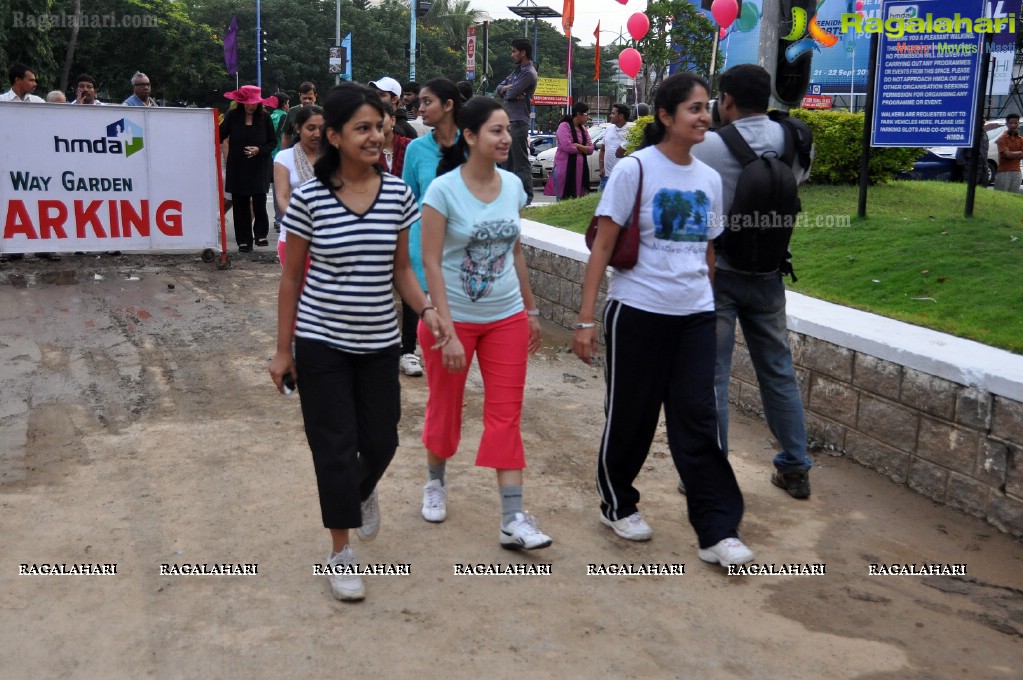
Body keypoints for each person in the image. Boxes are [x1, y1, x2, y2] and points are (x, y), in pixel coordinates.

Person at [269, 82, 451, 602]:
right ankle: (340, 550)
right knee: (332, 446)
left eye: (381, 128)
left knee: (381, 441)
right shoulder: (308, 198)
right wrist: (283, 351)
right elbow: (291, 279)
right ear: (335, 136)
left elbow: (401, 270)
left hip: (378, 343)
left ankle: (362, 488)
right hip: (321, 342)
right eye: (364, 129)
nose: (377, 137)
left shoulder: (398, 193)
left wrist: (429, 311)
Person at [572, 72, 754, 569]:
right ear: (666, 117)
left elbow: (708, 250)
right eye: (694, 108)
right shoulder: (636, 169)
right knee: (633, 415)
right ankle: (618, 503)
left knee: (697, 418)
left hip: (694, 315)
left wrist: (706, 301)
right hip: (637, 312)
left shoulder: (709, 179)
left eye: (707, 107)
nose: (704, 116)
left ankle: (718, 529)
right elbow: (603, 246)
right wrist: (587, 319)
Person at [418, 95, 553, 550]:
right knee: (445, 406)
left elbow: (514, 250)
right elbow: (431, 262)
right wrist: (448, 329)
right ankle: (435, 481)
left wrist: (530, 311)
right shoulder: (443, 190)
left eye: (507, 130)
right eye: (495, 131)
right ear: (470, 136)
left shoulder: (514, 186)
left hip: (505, 318)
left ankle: (512, 516)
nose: (505, 138)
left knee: (505, 414)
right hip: (450, 321)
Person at [691, 63, 814, 500]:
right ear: (770, 98)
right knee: (778, 372)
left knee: (713, 377)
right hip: (769, 272)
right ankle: (795, 468)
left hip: (720, 271)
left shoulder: (707, 147)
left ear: (725, 101)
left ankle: (711, 475)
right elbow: (797, 181)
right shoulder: (798, 141)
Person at [400, 78, 462, 378]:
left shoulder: (473, 144)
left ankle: (447, 348)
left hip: (460, 240)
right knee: (419, 298)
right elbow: (408, 198)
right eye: (419, 102)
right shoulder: (415, 149)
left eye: (427, 102)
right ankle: (408, 350)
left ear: (448, 105)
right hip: (420, 237)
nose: (420, 107)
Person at [220, 85, 277, 252]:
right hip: (237, 166)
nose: (250, 106)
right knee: (240, 204)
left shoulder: (265, 118)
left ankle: (261, 234)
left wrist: (259, 150)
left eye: (253, 103)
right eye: (247, 103)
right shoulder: (232, 116)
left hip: (259, 166)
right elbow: (220, 134)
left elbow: (272, 142)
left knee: (259, 201)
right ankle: (243, 240)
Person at [273, 104, 323, 266]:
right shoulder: (284, 158)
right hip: (294, 236)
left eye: (321, 128)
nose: (317, 134)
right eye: (311, 128)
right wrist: (302, 219)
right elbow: (283, 196)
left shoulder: (334, 158)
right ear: (298, 128)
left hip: (329, 240)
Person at [495, 37, 538, 202]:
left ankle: (527, 197)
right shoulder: (517, 71)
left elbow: (511, 93)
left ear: (523, 52)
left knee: (520, 161)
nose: (511, 54)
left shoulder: (528, 73)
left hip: (519, 121)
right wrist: (506, 89)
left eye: (514, 51)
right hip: (508, 121)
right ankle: (509, 195)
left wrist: (507, 90)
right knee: (506, 161)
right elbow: (499, 87)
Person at [548, 102, 594, 200]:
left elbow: (591, 149)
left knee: (578, 199)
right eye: (587, 114)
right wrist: (584, 148)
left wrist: (577, 145)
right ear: (578, 114)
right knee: (564, 199)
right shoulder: (564, 126)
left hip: (581, 169)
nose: (588, 117)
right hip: (564, 168)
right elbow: (567, 147)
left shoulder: (583, 129)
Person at [269, 91, 291, 232]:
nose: (289, 105)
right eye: (288, 102)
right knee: (285, 189)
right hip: (282, 156)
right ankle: (283, 218)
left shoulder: (270, 116)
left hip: (271, 157)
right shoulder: (285, 117)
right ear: (284, 104)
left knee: (276, 188)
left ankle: (278, 219)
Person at [599, 103, 630, 191]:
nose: (610, 115)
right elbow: (602, 150)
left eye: (613, 113)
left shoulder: (631, 132)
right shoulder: (608, 129)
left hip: (622, 178)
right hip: (606, 177)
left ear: (621, 116)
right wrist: (601, 168)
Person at [280, 82, 317, 149]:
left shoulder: (321, 112)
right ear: (300, 96)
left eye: (310, 98)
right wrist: (284, 154)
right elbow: (286, 136)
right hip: (297, 151)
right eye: (304, 98)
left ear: (315, 96)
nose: (307, 101)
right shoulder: (292, 112)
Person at [994, 113, 1023, 193]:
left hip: (1017, 171)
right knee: (1000, 196)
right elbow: (1006, 154)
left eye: (1015, 123)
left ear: (1018, 124)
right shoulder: (1002, 138)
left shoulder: (1020, 139)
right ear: (1007, 124)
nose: (1013, 125)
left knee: (1013, 196)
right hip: (1004, 171)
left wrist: (1013, 153)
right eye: (1011, 123)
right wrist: (1019, 153)